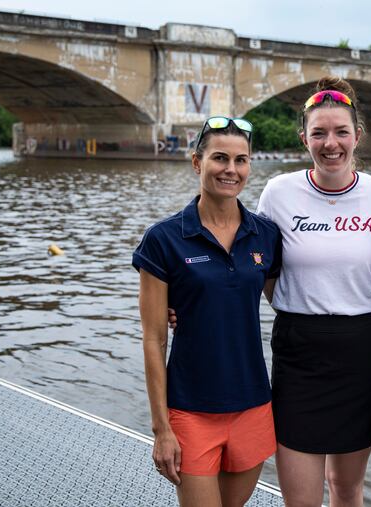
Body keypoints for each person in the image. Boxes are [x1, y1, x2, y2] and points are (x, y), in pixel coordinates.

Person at [256, 76, 371, 507]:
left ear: (358, 135)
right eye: (319, 133)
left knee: (346, 489)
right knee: (300, 500)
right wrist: (183, 305)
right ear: (304, 138)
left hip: (361, 350)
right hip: (299, 351)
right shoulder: (278, 193)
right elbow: (256, 270)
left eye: (341, 132)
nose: (330, 143)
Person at [133, 116, 282, 507]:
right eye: (219, 158)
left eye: (241, 160)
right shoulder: (163, 239)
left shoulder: (265, 234)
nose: (231, 170)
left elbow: (286, 299)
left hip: (253, 403)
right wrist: (161, 428)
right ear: (197, 162)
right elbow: (153, 338)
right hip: (192, 408)